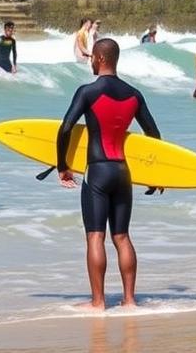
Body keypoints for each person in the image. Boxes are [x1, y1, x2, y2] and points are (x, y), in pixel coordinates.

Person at [57, 38, 161, 309]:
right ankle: (129, 300)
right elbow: (153, 136)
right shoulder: (134, 94)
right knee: (122, 236)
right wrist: (156, 174)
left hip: (98, 171)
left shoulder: (88, 92)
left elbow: (66, 128)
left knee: (95, 236)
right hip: (123, 172)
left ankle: (98, 302)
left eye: (92, 56)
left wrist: (62, 166)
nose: (90, 60)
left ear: (101, 59)